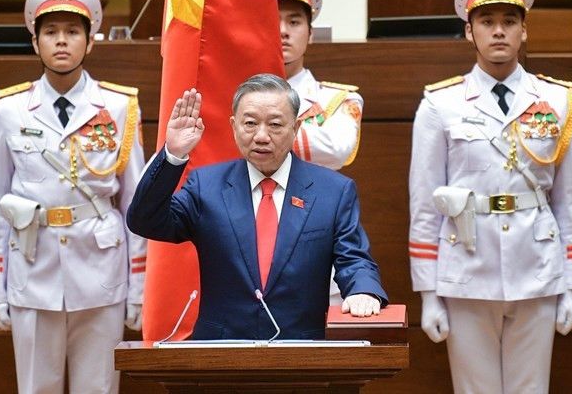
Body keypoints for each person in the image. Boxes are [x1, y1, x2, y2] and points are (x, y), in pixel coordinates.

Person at [408, 0, 572, 393]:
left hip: (537, 264)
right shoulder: (440, 104)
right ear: (469, 31)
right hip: (468, 265)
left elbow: (569, 198)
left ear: (525, 30)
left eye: (510, 21)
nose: (499, 31)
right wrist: (428, 292)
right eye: (486, 21)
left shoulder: (559, 101)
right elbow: (426, 202)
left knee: (531, 389)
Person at [127, 74, 387, 340]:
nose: (261, 136)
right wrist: (173, 154)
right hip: (219, 352)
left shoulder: (333, 191)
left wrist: (362, 291)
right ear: (234, 126)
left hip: (301, 351)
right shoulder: (206, 186)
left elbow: (354, 259)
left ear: (296, 128)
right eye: (250, 123)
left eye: (275, 125)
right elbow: (144, 221)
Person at [0, 0, 147, 393]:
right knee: (37, 387)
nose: (61, 40)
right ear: (34, 40)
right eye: (50, 31)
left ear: (91, 40)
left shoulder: (118, 107)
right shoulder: (9, 110)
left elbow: (136, 206)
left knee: (98, 387)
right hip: (32, 270)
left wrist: (140, 287)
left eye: (73, 31)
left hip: (101, 270)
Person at [274, 0, 363, 305]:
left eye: (294, 22)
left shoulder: (337, 99)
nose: (283, 30)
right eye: (274, 20)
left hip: (316, 248)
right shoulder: (236, 97)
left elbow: (339, 149)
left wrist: (261, 128)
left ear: (310, 33)